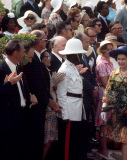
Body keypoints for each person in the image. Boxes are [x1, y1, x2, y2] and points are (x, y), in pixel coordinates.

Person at [23, 30, 60, 160]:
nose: (46, 42)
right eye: (45, 39)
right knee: (34, 142)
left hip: (41, 105)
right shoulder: (31, 58)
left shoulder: (37, 57)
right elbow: (36, 85)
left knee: (38, 141)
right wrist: (49, 102)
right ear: (39, 41)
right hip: (35, 106)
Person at [57, 39, 89, 160]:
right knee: (68, 146)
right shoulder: (64, 69)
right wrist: (64, 114)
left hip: (77, 109)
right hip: (69, 111)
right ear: (73, 54)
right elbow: (61, 93)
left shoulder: (72, 68)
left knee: (75, 143)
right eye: (79, 53)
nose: (81, 56)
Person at [0, 40, 30, 160]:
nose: (24, 55)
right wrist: (8, 84)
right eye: (23, 52)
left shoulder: (17, 67)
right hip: (8, 121)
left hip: (20, 116)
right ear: (16, 53)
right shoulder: (2, 68)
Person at [40, 50, 65, 160]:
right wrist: (52, 83)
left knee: (50, 140)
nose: (49, 58)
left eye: (50, 56)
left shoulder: (48, 70)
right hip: (47, 109)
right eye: (47, 57)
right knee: (46, 140)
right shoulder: (41, 71)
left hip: (53, 109)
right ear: (41, 59)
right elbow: (42, 90)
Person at [95, 40, 117, 159]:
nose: (110, 51)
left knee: (107, 122)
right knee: (104, 123)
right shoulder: (102, 63)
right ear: (103, 51)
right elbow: (105, 82)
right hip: (106, 95)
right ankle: (103, 150)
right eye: (107, 49)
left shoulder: (110, 62)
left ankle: (103, 149)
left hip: (110, 94)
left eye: (111, 48)